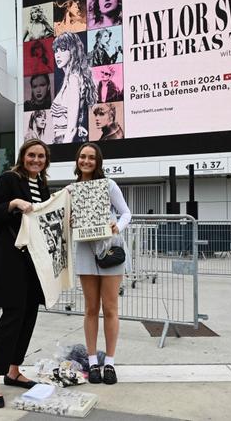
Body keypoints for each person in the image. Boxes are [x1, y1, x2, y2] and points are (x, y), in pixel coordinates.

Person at [0, 139, 51, 408]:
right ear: (23, 157)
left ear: (46, 160)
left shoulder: (42, 185)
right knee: (12, 317)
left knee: (29, 315)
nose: (36, 160)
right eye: (31, 155)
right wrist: (14, 203)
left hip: (34, 262)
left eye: (41, 156)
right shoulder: (9, 179)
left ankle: (13, 370)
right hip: (11, 261)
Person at [71, 142, 131, 385]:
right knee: (90, 309)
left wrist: (118, 225)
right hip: (86, 251)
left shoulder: (109, 185)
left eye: (91, 158)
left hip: (110, 249)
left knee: (110, 308)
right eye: (83, 157)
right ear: (77, 160)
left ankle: (110, 364)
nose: (86, 161)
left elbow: (126, 212)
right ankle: (93, 361)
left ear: (98, 162)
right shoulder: (72, 190)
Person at [51, 32, 97, 144]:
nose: (57, 55)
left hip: (65, 141)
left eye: (63, 49)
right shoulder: (70, 79)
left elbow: (71, 128)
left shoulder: (73, 79)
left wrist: (64, 154)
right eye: (56, 50)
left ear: (73, 51)